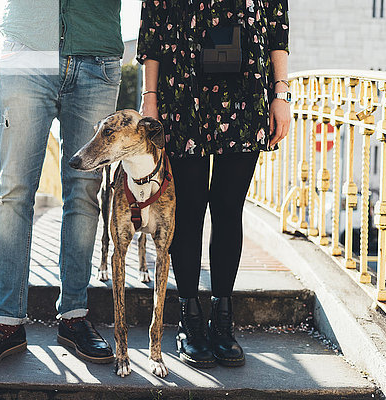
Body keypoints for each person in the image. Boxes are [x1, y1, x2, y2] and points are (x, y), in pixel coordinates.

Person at [0, 0, 124, 373]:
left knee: (84, 189)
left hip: (97, 53)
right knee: (14, 191)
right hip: (27, 49)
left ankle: (74, 317)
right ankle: (6, 323)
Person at [137, 0, 290, 368]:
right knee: (188, 211)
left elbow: (276, 27)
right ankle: (189, 318)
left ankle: (222, 318)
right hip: (181, 91)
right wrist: (149, 98)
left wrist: (280, 95)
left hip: (247, 92)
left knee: (227, 209)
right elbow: (152, 32)